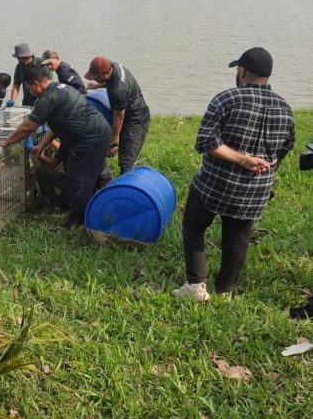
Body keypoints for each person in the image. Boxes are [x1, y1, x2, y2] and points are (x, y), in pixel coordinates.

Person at [173, 47, 294, 302]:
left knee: (193, 225)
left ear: (241, 71)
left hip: (215, 184)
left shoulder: (227, 99)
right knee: (237, 238)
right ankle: (225, 292)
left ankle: (196, 285)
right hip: (255, 190)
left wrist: (242, 159)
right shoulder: (285, 108)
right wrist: (265, 173)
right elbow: (284, 149)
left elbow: (206, 141)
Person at [0, 66, 112, 227]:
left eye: (28, 88)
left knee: (78, 183)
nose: (29, 91)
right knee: (98, 174)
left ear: (35, 84)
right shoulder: (61, 88)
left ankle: (79, 223)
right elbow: (56, 125)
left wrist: (7, 142)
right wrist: (41, 146)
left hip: (88, 141)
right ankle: (111, 204)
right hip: (101, 133)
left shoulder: (48, 98)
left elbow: (28, 126)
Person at [85, 56, 150, 173]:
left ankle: (127, 186)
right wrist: (97, 86)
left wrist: (114, 143)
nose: (95, 79)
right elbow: (110, 81)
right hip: (127, 109)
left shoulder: (118, 90)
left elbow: (119, 117)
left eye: (96, 77)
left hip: (136, 119)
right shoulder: (113, 66)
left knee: (126, 161)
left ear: (105, 72)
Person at [8, 43, 52, 107]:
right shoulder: (19, 66)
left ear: (24, 57)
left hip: (43, 101)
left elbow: (49, 84)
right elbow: (16, 86)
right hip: (27, 103)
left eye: (19, 58)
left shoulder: (42, 63)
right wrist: (12, 101)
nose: (18, 60)